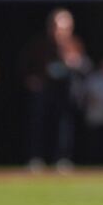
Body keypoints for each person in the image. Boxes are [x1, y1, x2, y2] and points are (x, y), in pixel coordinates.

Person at [20, 9, 90, 171]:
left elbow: (86, 68)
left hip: (65, 93)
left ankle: (62, 159)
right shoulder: (39, 44)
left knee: (63, 127)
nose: (61, 32)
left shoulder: (75, 44)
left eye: (65, 28)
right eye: (58, 27)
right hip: (44, 93)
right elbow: (25, 66)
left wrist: (76, 63)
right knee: (38, 125)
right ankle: (35, 158)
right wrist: (32, 80)